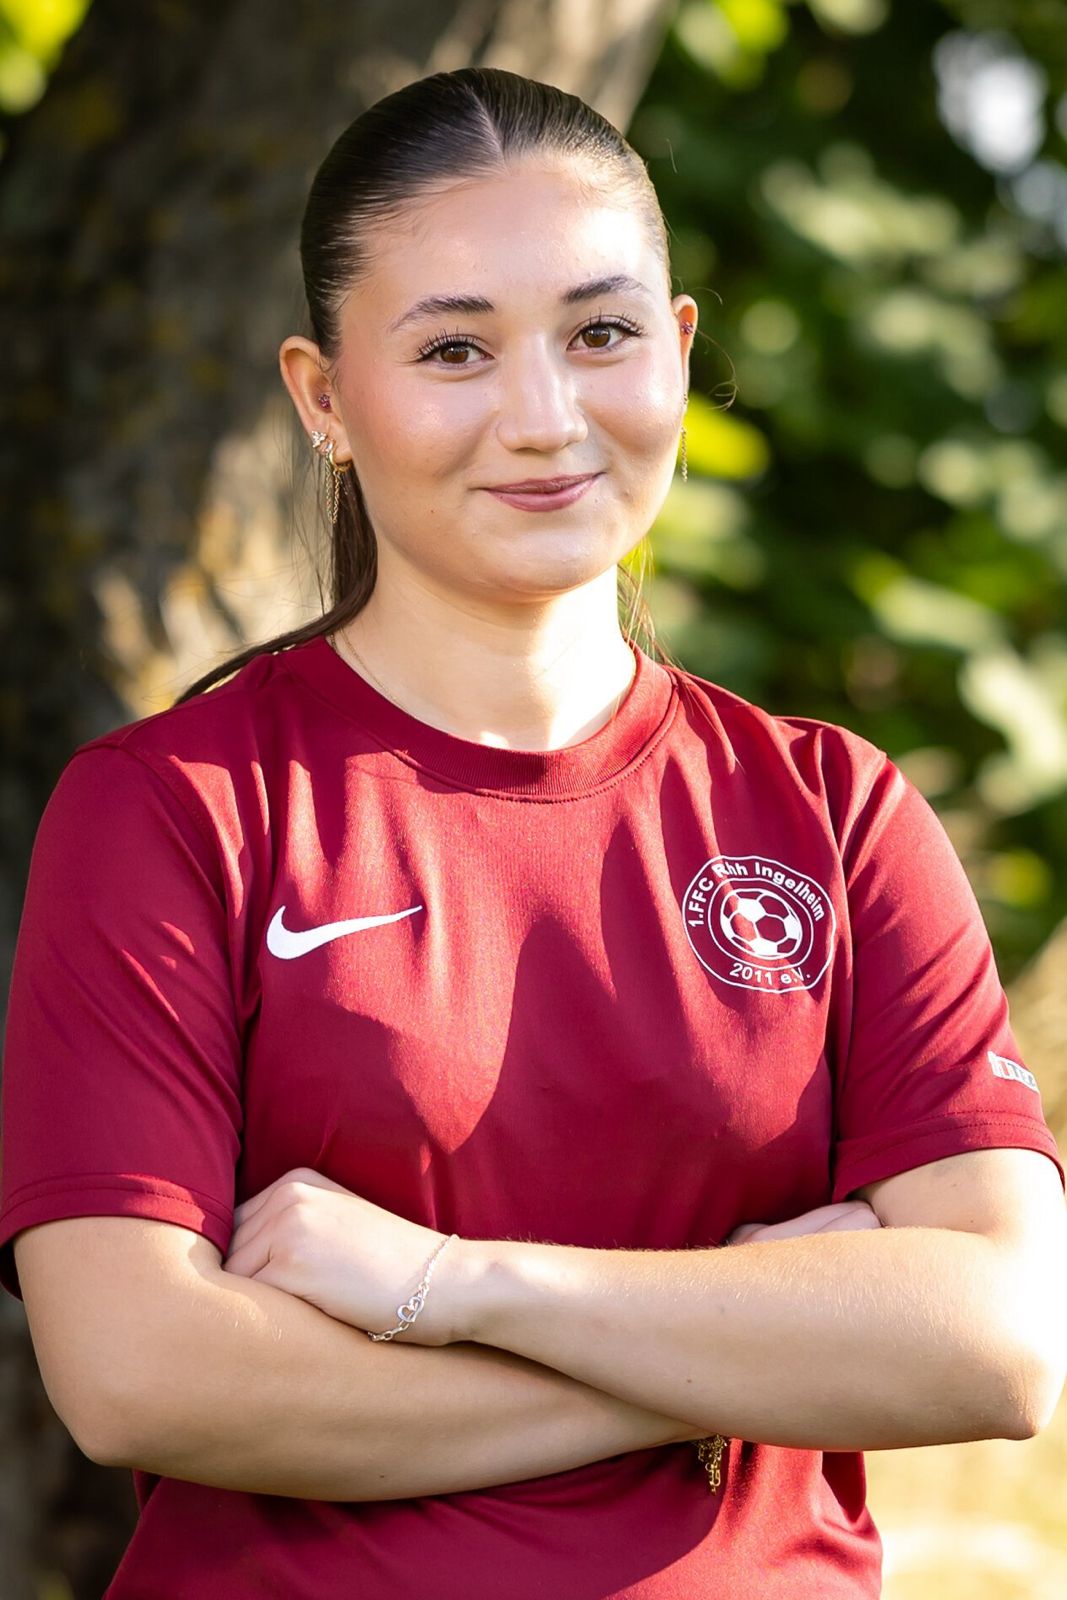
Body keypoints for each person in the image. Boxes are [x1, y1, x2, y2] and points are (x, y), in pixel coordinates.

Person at [1, 65, 1064, 1600]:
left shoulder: (837, 812)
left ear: (678, 347)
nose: (545, 417)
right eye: (454, 349)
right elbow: (138, 1374)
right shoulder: (177, 810)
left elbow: (1001, 1344)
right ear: (323, 399)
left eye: (600, 333)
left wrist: (454, 1286)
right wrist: (738, 1358)